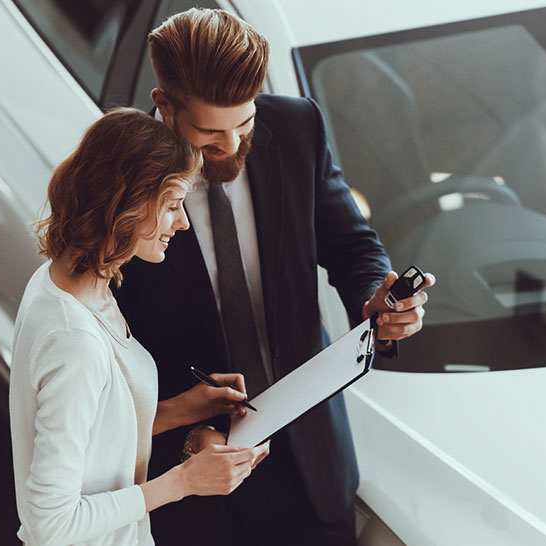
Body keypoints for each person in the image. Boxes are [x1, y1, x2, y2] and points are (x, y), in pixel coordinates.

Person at [114, 8, 436, 545]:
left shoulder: (295, 127)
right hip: (195, 479)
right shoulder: (121, 179)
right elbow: (109, 352)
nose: (234, 145)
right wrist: (188, 435)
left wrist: (375, 296)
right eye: (210, 133)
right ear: (163, 106)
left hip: (314, 463)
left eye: (245, 123)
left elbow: (351, 244)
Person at [9, 108, 269, 546]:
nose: (183, 222)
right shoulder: (74, 342)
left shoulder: (72, 281)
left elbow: (97, 429)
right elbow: (49, 524)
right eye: (171, 205)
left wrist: (188, 407)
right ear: (127, 202)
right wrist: (184, 481)